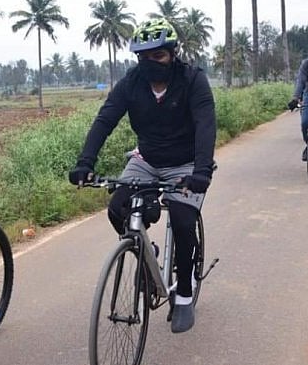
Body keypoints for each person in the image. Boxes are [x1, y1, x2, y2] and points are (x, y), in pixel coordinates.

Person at [68, 18, 216, 333]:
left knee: (183, 221)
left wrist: (202, 170)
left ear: (172, 53)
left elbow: (205, 125)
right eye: (143, 57)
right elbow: (105, 120)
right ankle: (149, 261)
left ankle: (185, 295)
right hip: (146, 159)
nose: (151, 63)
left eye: (158, 56)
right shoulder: (131, 83)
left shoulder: (193, 80)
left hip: (186, 163)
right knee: (117, 208)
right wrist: (85, 162)